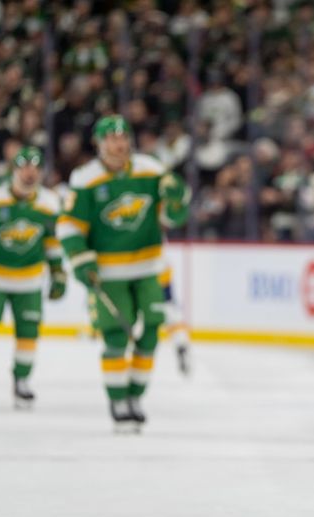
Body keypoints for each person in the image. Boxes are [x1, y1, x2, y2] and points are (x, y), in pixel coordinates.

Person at [57, 115, 190, 431]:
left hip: (148, 266)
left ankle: (136, 395)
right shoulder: (85, 179)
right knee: (117, 335)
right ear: (99, 144)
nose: (120, 144)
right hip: (109, 272)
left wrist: (177, 199)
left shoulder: (151, 169)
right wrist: (80, 259)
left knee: (153, 328)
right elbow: (70, 225)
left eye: (124, 138)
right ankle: (118, 398)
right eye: (112, 139)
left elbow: (172, 217)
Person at [0, 146, 65, 407]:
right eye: (24, 167)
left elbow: (52, 242)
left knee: (28, 332)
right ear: (14, 170)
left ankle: (22, 382)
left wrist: (58, 272)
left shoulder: (48, 203)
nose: (30, 173)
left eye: (35, 167)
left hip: (30, 280)